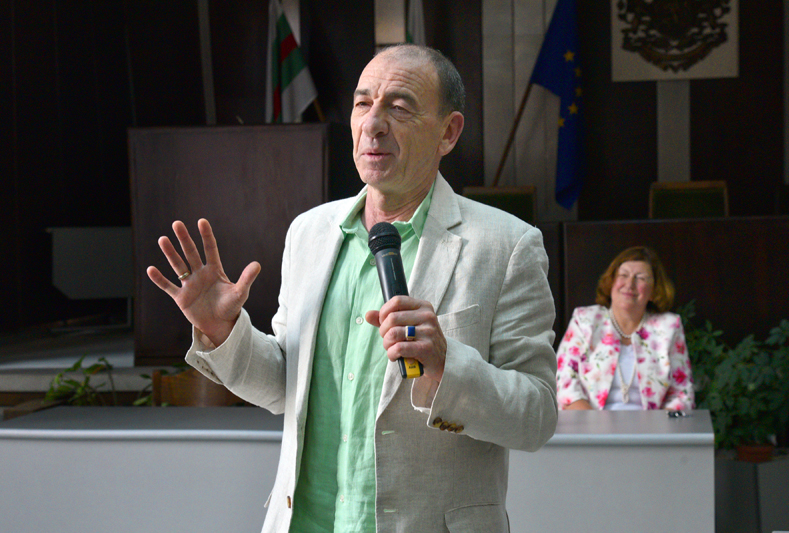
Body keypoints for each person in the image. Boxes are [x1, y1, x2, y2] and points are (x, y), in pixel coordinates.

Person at [147, 44, 557, 532]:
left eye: (399, 107)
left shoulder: (506, 244)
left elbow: (536, 415)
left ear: (448, 132)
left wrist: (446, 366)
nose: (373, 123)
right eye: (363, 103)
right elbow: (285, 386)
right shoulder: (310, 232)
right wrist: (224, 332)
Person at [556, 246, 694, 411]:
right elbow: (564, 383)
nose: (630, 284)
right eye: (623, 275)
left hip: (651, 425)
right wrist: (594, 424)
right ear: (611, 282)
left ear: (653, 291)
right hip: (590, 422)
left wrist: (657, 426)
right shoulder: (585, 320)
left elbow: (682, 393)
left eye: (640, 278)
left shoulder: (669, 327)